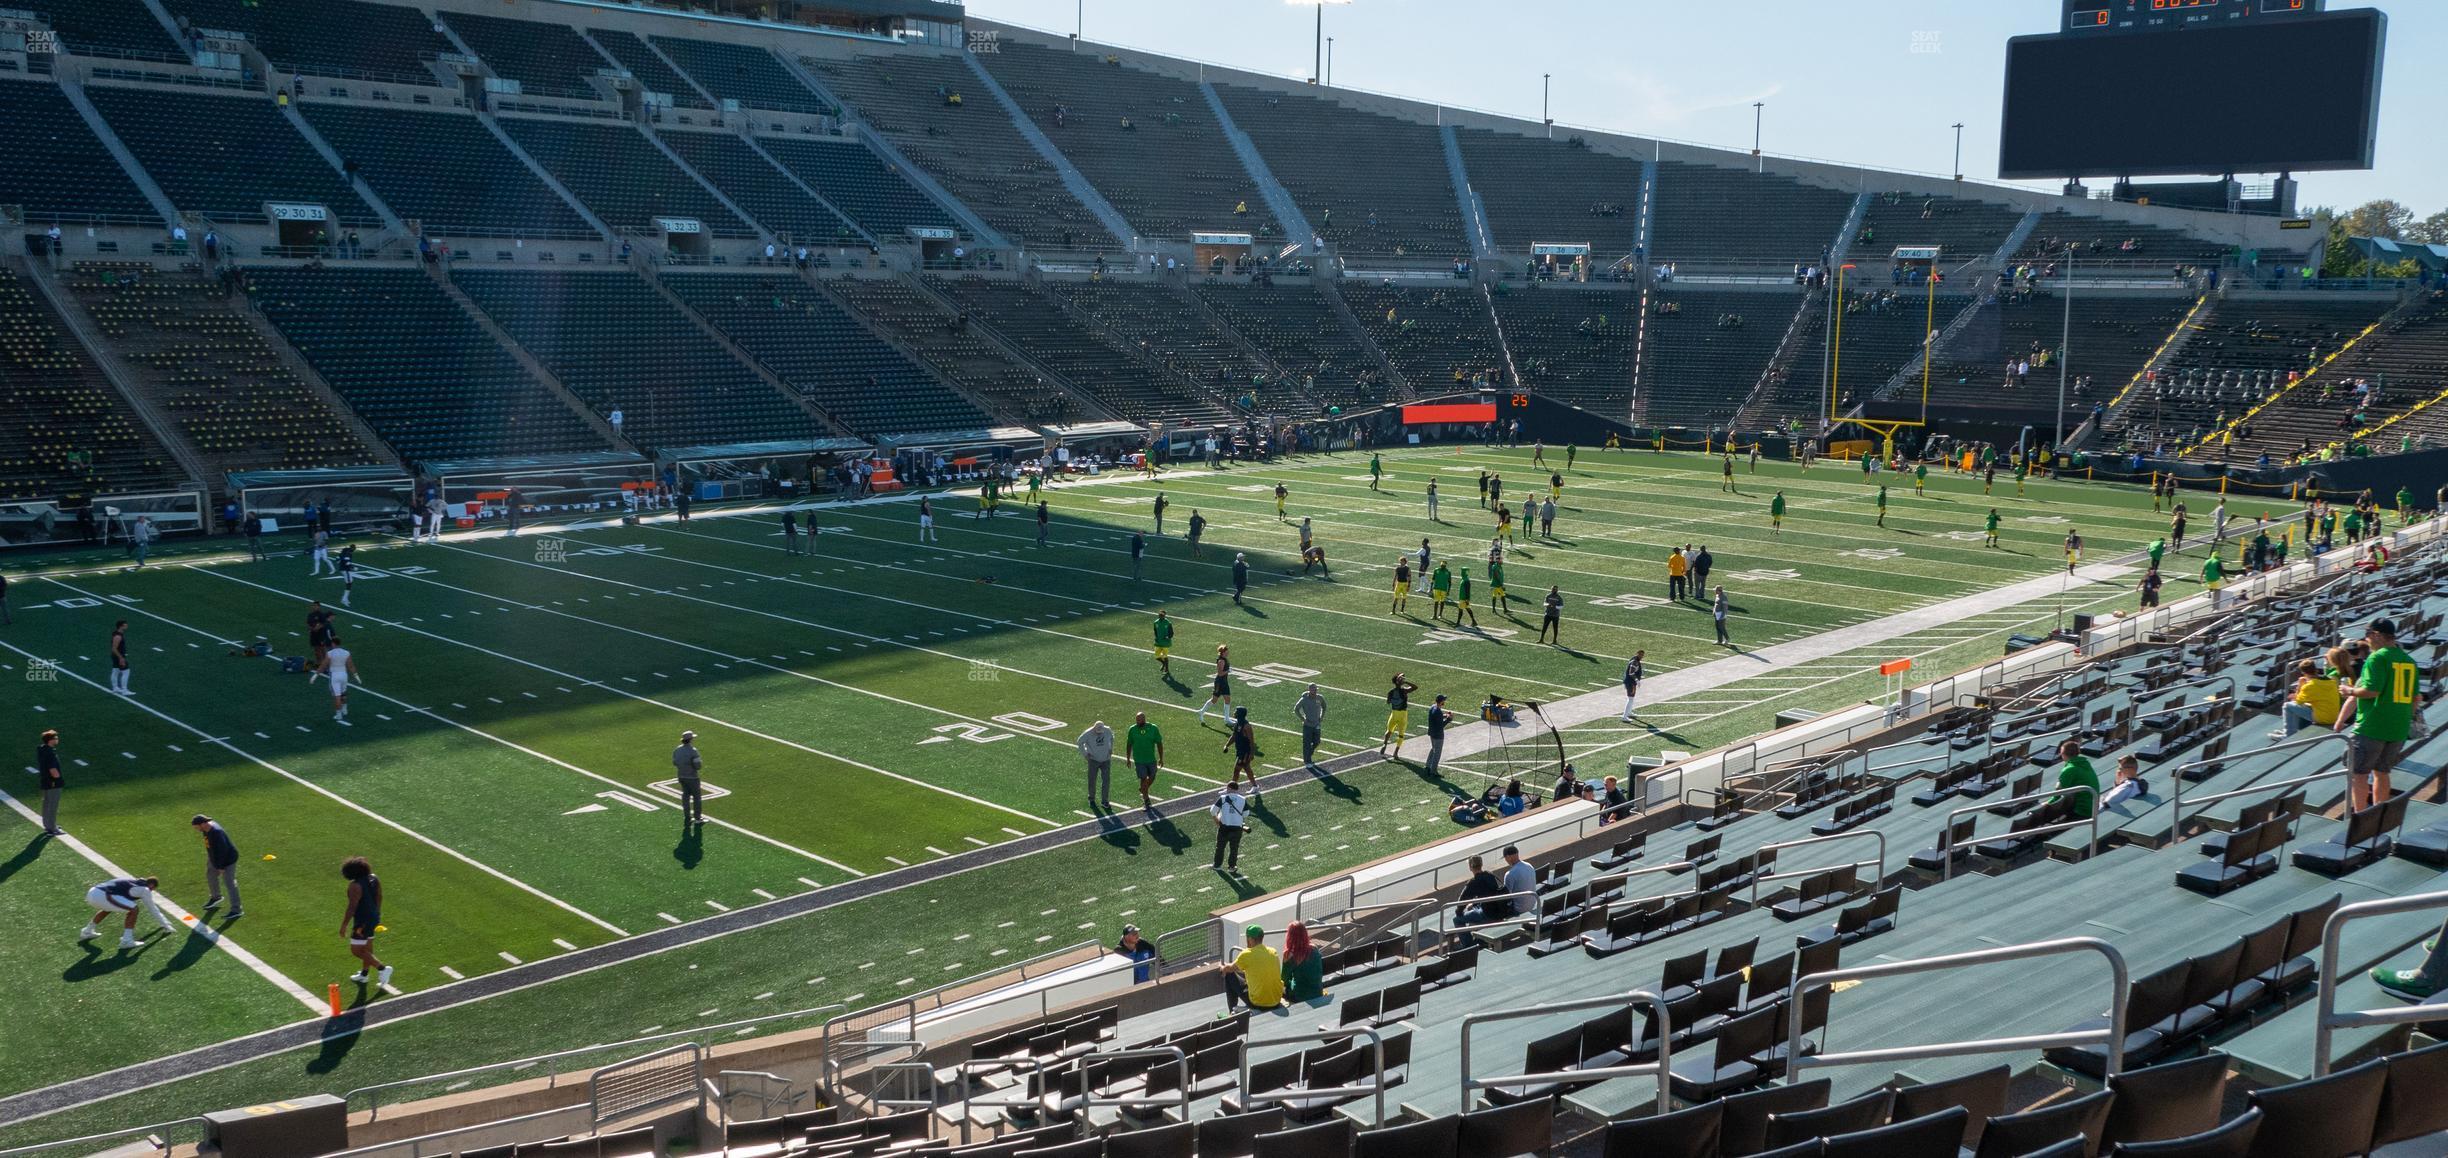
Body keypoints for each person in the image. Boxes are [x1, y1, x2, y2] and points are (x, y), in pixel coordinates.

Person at [2340, 618, 2419, 812]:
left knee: (2358, 774)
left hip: (2372, 726)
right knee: (2382, 773)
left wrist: (2348, 691)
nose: (2366, 640)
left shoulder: (2377, 658)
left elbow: (2371, 691)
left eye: (2368, 635)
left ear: (2376, 635)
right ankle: (2377, 816)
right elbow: (2416, 698)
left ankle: (2359, 818)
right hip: (2398, 728)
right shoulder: (2408, 659)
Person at [80, 875, 175, 949]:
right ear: (151, 885)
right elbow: (152, 909)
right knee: (134, 909)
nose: (151, 891)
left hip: (92, 892)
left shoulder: (131, 881)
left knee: (108, 908)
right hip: (103, 895)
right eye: (152, 889)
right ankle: (127, 940)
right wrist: (166, 924)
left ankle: (87, 931)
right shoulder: (145, 890)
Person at [340, 856, 391, 987]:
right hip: (373, 916)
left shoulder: (354, 886)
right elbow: (379, 896)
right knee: (367, 947)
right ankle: (364, 974)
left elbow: (352, 907)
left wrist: (344, 925)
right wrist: (377, 913)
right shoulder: (374, 878)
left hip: (362, 921)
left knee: (356, 950)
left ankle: (383, 969)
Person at [1220, 924, 1282, 1012]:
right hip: (1276, 1000)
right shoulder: (1273, 952)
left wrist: (1222, 967)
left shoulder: (1246, 954)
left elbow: (1229, 968)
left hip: (1258, 1003)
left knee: (1229, 975)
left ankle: (1232, 1011)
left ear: (1250, 939)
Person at [194, 815, 243, 918]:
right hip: (215, 858)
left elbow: (223, 851)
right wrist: (211, 859)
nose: (196, 829)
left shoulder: (216, 832)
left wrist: (221, 867)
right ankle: (216, 897)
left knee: (230, 883)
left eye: (196, 827)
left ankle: (237, 909)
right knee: (210, 875)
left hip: (227, 860)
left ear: (202, 824)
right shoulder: (206, 829)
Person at [2280, 659, 2339, 738]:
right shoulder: (2330, 681)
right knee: (2305, 704)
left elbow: (2298, 701)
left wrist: (2300, 685)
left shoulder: (2310, 686)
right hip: (2334, 716)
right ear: (2315, 669)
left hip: (2323, 718)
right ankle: (2291, 730)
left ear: (2303, 673)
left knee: (2287, 706)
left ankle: (2288, 734)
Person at [2044, 737, 2098, 823]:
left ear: (2063, 754)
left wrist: (2046, 804)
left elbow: (2057, 795)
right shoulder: (2085, 763)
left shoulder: (2069, 769)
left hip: (2082, 811)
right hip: (2093, 807)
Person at [1210, 776, 1250, 875]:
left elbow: (1212, 811)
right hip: (1237, 828)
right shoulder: (1243, 799)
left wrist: (1217, 821)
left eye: (1227, 788)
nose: (1226, 790)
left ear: (1230, 788)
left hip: (1224, 827)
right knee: (1234, 848)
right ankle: (1232, 867)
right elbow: (1246, 814)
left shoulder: (1223, 798)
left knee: (1220, 847)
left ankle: (1217, 865)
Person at [1281, 921, 1326, 1002]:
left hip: (1299, 996)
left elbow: (1284, 980)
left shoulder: (1289, 955)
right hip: (1317, 992)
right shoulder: (1314, 949)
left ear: (1290, 936)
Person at [1126, 711, 1163, 807]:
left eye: (1139, 720)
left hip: (1151, 758)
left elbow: (1159, 743)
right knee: (1143, 778)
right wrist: (1128, 758)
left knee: (1153, 776)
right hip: (1139, 760)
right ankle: (1146, 800)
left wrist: (1161, 758)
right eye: (1136, 720)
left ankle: (1143, 789)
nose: (1137, 722)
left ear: (1144, 719)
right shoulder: (1132, 730)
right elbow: (1129, 744)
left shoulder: (1153, 728)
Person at [1077, 719, 1115, 808]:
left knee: (1106, 780)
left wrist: (1110, 748)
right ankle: (1092, 799)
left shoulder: (1107, 730)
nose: (1099, 733)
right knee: (1092, 780)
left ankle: (1105, 801)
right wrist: (1085, 754)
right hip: (1093, 760)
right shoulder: (1088, 733)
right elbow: (1079, 742)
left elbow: (1112, 738)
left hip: (1106, 759)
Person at [321, 636, 358, 723]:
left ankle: (338, 715)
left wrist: (315, 675)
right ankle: (345, 709)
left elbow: (323, 665)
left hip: (334, 675)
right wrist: (356, 675)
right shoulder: (346, 653)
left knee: (337, 696)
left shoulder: (330, 653)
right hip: (344, 675)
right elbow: (351, 665)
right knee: (343, 693)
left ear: (333, 643)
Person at [672, 730, 704, 824]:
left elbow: (674, 762)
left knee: (685, 796)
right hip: (692, 777)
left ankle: (687, 816)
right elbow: (698, 766)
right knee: (696, 798)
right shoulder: (693, 751)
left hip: (681, 776)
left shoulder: (677, 750)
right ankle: (697, 818)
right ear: (690, 740)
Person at [36, 728, 64, 835]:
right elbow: (53, 770)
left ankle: (47, 824)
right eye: (55, 738)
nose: (57, 739)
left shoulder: (42, 749)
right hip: (53, 782)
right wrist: (58, 778)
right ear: (50, 740)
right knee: (53, 805)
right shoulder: (50, 753)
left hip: (45, 781)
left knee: (46, 803)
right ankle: (53, 828)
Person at [1382, 674, 1418, 753]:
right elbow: (1415, 687)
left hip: (1394, 713)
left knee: (1389, 730)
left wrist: (1395, 700)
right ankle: (1395, 752)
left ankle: (1385, 743)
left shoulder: (1391, 692)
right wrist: (1406, 682)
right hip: (1403, 715)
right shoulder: (1404, 690)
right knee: (1401, 735)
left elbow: (1388, 702)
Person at [1294, 683, 1327, 770]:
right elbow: (1296, 709)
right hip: (1307, 725)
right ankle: (1307, 760)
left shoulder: (1320, 698)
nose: (1315, 691)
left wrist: (1321, 716)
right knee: (1306, 744)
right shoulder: (1304, 699)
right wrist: (1302, 719)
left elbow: (1324, 706)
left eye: (1316, 689)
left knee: (1317, 741)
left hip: (1316, 724)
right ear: (1309, 690)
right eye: (1313, 690)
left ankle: (1309, 753)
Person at [1199, 645, 1233, 726]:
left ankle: (1227, 719)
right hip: (1219, 682)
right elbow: (1220, 673)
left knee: (1227, 699)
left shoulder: (1224, 659)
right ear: (1223, 652)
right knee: (1214, 700)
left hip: (1224, 682)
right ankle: (1201, 712)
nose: (1228, 652)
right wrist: (1228, 671)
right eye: (1226, 651)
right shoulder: (1221, 661)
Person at [1222, 707, 1257, 783]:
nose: (1234, 712)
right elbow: (1234, 736)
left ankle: (1231, 788)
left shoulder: (1246, 726)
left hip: (1245, 752)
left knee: (1236, 770)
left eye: (1236, 711)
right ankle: (1255, 786)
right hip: (1240, 750)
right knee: (1247, 769)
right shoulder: (1237, 724)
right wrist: (1226, 745)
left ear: (1240, 714)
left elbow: (1251, 741)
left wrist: (1251, 753)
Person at [1498, 845, 1536, 915]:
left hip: (1518, 909)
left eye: (1505, 858)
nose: (1506, 860)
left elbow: (1506, 896)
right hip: (1533, 904)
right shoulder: (1529, 866)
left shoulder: (1510, 874)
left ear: (1508, 857)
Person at [1422, 693, 1449, 776]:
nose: (1444, 702)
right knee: (1437, 753)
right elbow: (1440, 725)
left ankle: (1428, 765)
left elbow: (1437, 717)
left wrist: (1445, 715)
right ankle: (1433, 771)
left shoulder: (1433, 707)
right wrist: (1448, 720)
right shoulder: (1437, 711)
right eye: (1443, 700)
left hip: (1432, 733)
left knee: (1433, 749)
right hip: (1438, 735)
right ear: (1441, 702)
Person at [108, 619, 131, 696]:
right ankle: (124, 690)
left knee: (115, 671)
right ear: (121, 626)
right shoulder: (118, 636)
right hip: (118, 656)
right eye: (125, 625)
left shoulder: (118, 634)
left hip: (116, 656)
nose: (127, 626)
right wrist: (121, 658)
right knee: (126, 671)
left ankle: (115, 688)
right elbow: (114, 648)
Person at [1621, 650, 1645, 721]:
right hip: (1630, 682)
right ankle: (1624, 716)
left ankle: (1629, 712)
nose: (1641, 656)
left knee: (1631, 698)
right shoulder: (1635, 661)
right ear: (1637, 654)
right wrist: (1637, 680)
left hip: (1630, 682)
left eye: (1642, 655)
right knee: (1630, 699)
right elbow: (1631, 673)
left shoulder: (1634, 659)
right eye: (1640, 655)